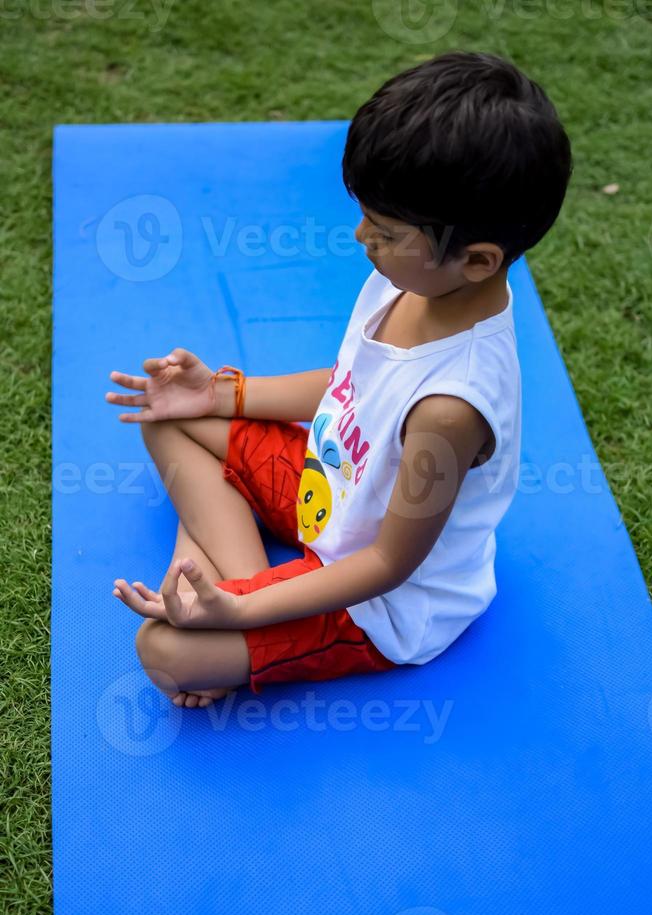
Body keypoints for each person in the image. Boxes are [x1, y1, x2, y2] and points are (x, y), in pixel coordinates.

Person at [107, 50, 573, 708]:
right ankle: (250, 582)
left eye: (382, 230)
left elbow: (388, 564)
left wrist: (239, 613)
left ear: (477, 260)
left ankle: (241, 594)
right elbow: (349, 382)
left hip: (378, 605)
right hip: (324, 491)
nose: (360, 237)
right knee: (171, 415)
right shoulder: (408, 280)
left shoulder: (451, 409)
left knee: (162, 650)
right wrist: (222, 394)